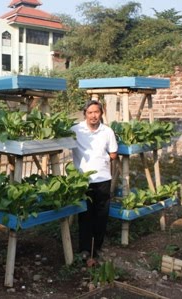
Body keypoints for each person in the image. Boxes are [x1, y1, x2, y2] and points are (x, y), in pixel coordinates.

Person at [71, 100, 118, 265]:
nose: (93, 115)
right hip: (83, 180)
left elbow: (113, 153)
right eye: (90, 112)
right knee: (84, 215)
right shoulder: (76, 130)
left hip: (103, 179)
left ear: (101, 113)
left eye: (96, 112)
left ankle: (97, 247)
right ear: (85, 114)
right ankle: (84, 249)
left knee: (101, 215)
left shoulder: (107, 131)